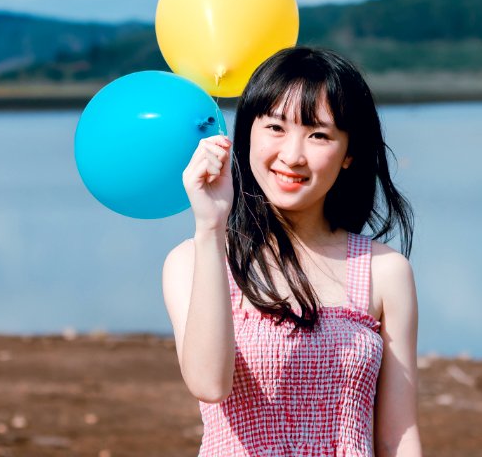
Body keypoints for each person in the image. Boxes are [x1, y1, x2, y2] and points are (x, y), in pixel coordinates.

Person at [162, 47, 421, 456]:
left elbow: (398, 436)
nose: (292, 156)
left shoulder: (385, 271)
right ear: (246, 133)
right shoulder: (193, 259)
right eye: (276, 128)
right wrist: (210, 226)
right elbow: (210, 384)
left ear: (349, 152)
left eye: (318, 134)